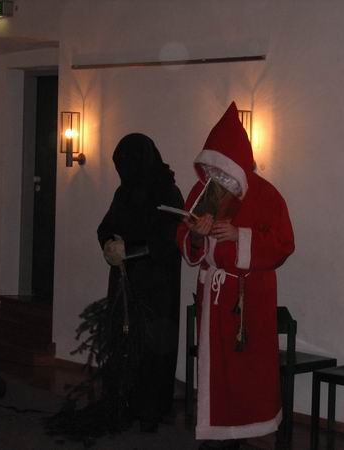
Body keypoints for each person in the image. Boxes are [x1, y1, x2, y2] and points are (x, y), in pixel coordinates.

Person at [177, 102, 295, 450]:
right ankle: (217, 432)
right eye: (213, 167)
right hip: (213, 297)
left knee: (247, 371)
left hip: (249, 297)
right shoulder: (201, 193)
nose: (217, 175)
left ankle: (242, 432)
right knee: (215, 369)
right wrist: (196, 235)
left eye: (223, 166)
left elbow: (284, 244)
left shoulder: (267, 195)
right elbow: (185, 239)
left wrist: (239, 236)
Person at [97, 133, 184, 432]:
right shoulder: (123, 193)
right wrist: (109, 244)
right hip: (126, 282)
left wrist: (129, 251)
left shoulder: (167, 192)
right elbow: (106, 227)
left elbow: (169, 239)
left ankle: (151, 408)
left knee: (154, 346)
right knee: (124, 342)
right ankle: (123, 401)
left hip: (157, 286)